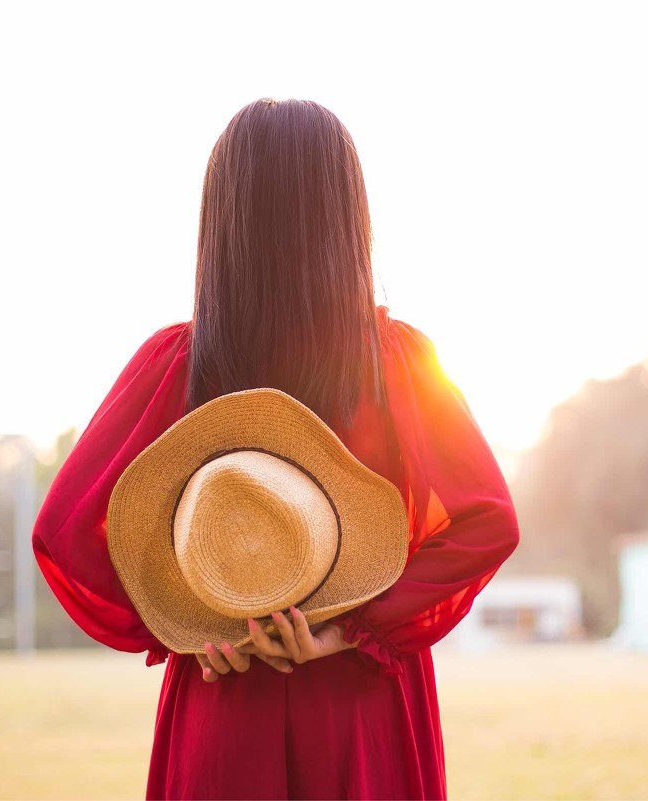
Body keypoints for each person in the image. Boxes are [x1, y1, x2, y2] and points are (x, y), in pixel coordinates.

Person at [31, 98, 521, 800]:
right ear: (346, 219)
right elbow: (488, 520)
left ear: (223, 220)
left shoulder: (176, 363)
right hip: (362, 707)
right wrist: (353, 629)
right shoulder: (399, 366)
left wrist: (190, 626)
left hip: (223, 706)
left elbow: (63, 531)